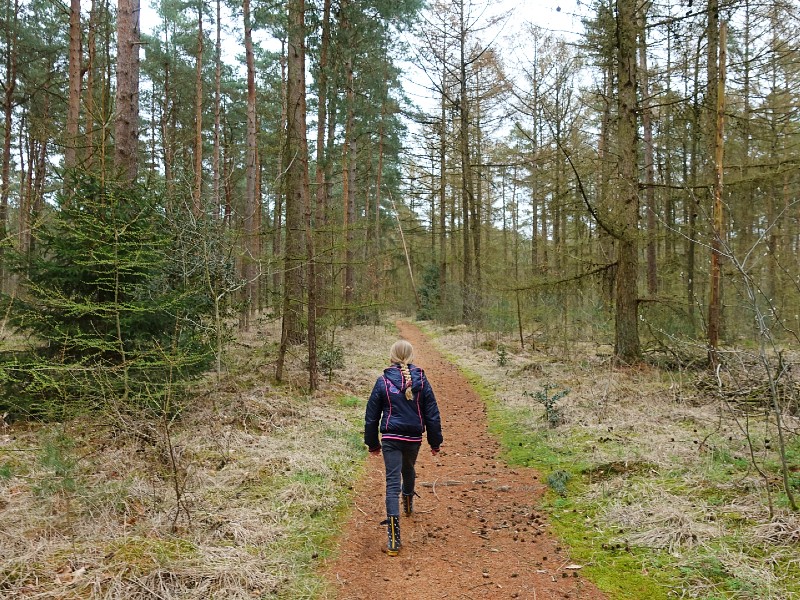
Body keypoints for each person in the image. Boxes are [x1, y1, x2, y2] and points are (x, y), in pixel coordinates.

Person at [364, 339, 443, 556]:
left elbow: (371, 417)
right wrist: (434, 443)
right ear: (411, 356)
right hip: (413, 437)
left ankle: (393, 540)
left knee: (391, 483)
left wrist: (373, 444)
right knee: (408, 469)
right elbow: (432, 415)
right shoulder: (422, 381)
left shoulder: (382, 382)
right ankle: (407, 501)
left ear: (391, 356)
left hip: (390, 437)